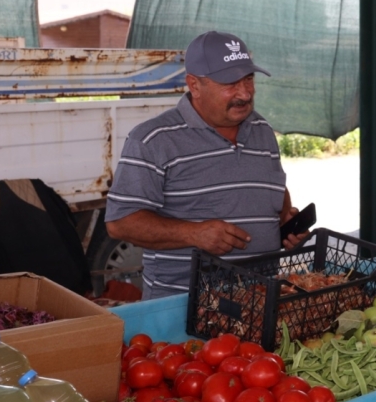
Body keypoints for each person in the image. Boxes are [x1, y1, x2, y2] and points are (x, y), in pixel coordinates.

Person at [105, 31, 306, 299]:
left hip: (259, 300)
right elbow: (120, 223)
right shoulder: (153, 139)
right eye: (230, 83)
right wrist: (194, 234)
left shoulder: (261, 129)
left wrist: (285, 223)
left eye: (248, 79)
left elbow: (273, 188)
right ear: (195, 85)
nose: (245, 94)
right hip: (185, 307)